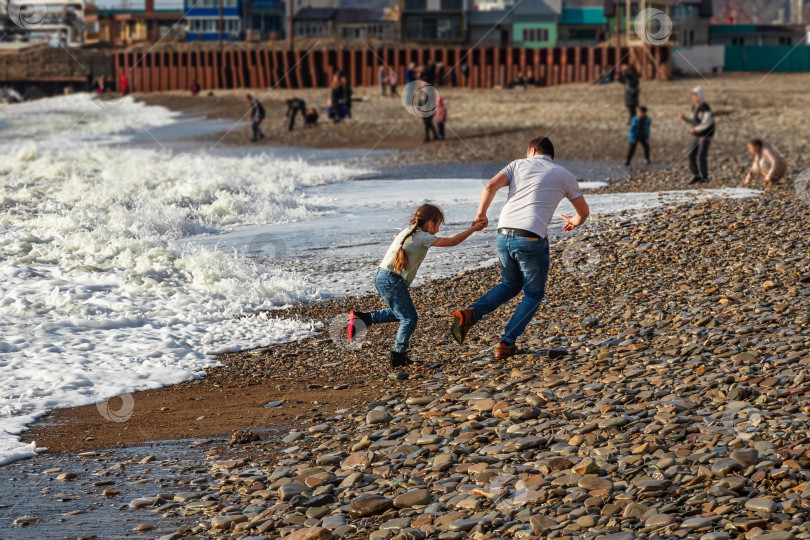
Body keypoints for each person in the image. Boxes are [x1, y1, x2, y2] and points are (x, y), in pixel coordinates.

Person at [450, 136, 590, 360]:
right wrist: (574, 221)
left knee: (510, 284)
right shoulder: (564, 174)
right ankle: (506, 343)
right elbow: (583, 212)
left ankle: (470, 315)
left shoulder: (517, 165)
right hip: (531, 238)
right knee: (534, 293)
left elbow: (490, 186)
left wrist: (481, 214)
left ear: (532, 151)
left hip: (503, 234)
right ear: (549, 154)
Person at [348, 204, 485, 369]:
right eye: (438, 224)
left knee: (403, 313)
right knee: (409, 319)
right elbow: (453, 241)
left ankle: (363, 319)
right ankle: (398, 357)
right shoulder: (422, 237)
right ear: (429, 223)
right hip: (392, 280)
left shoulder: (407, 232)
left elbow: (396, 237)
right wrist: (474, 229)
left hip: (382, 276)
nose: (438, 229)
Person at [678, 86, 715, 184]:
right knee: (691, 155)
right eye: (693, 96)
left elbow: (708, 123)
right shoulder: (695, 107)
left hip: (705, 135)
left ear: (700, 96)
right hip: (697, 135)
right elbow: (694, 119)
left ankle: (705, 177)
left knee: (701, 156)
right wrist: (685, 119)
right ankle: (697, 176)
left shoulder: (705, 108)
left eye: (696, 96)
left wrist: (695, 129)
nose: (694, 98)